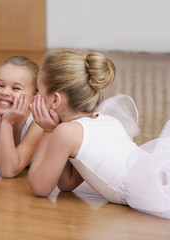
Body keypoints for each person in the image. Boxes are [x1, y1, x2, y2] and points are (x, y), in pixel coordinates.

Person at [28, 48, 170, 219]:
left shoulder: (65, 132)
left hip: (146, 185)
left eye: (38, 91)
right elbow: (67, 183)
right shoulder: (106, 120)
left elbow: (39, 187)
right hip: (148, 171)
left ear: (55, 100)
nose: (34, 97)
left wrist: (47, 131)